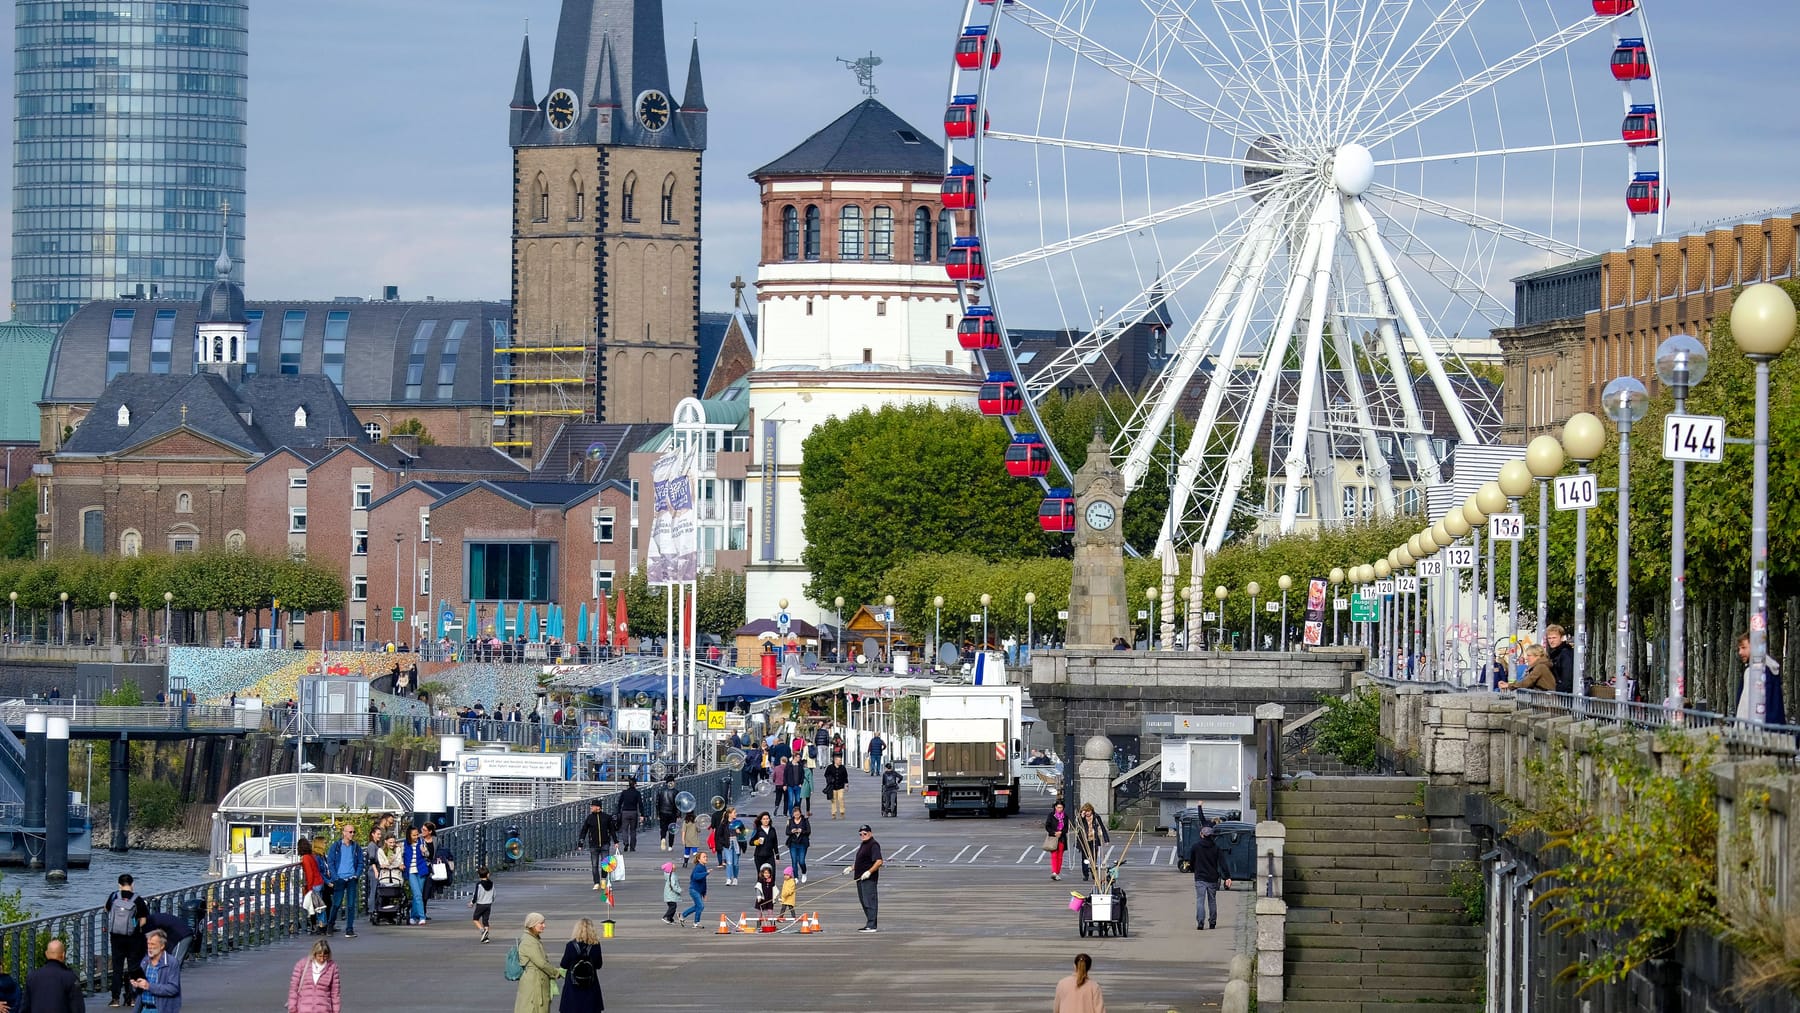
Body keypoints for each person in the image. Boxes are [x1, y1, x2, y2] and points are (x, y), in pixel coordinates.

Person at [106, 872, 150, 1007]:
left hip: (116, 937)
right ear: (132, 884)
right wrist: (134, 927)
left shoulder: (114, 896)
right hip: (133, 938)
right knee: (133, 967)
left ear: (119, 885)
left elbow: (106, 909)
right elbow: (143, 920)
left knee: (117, 968)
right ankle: (131, 998)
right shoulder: (138, 899)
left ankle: (115, 999)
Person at [512, 913, 561, 1013]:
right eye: (541, 923)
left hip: (536, 980)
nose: (544, 926)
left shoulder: (532, 939)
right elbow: (541, 963)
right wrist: (556, 972)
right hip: (535, 983)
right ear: (532, 925)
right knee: (535, 1007)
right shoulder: (529, 941)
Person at [1736, 632, 1788, 725]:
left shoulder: (1754, 671)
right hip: (1774, 729)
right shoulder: (1770, 669)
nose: (1740, 652)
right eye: (1739, 649)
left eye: (1744, 647)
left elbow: (1746, 706)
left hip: (1758, 732)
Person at [1187, 825, 1231, 930]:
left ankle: (1200, 922)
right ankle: (1212, 922)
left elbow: (1191, 861)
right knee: (1212, 900)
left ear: (1202, 835)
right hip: (1212, 878)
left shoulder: (1195, 847)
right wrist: (1227, 877)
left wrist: (1193, 869)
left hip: (1200, 877)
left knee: (1200, 900)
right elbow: (1222, 863)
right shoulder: (1216, 848)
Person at [324, 823, 365, 938]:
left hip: (351, 878)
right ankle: (330, 925)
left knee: (351, 905)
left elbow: (361, 862)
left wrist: (357, 875)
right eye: (350, 832)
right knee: (336, 903)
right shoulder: (336, 846)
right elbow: (330, 862)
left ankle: (349, 929)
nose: (352, 834)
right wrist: (335, 876)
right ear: (344, 833)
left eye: (353, 832)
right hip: (339, 879)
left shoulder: (356, 847)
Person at [557, 917, 605, 1013]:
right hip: (590, 984)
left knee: (572, 1008)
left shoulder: (571, 945)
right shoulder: (596, 945)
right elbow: (599, 965)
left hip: (573, 985)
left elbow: (564, 964)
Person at [24, 939, 83, 1013]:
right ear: (63, 954)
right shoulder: (70, 978)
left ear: (46, 954)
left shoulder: (32, 977)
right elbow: (78, 1008)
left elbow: (25, 1007)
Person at [132, 928, 181, 1013]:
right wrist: (136, 985)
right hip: (144, 1009)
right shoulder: (145, 961)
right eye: (148, 944)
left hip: (161, 1010)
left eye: (153, 944)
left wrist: (149, 986)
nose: (149, 947)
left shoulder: (171, 963)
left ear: (162, 946)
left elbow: (173, 988)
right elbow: (139, 991)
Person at [846, 823, 884, 932]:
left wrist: (869, 872)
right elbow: (861, 861)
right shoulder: (863, 844)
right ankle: (869, 923)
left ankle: (872, 925)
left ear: (870, 833)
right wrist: (851, 868)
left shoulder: (873, 844)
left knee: (869, 901)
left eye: (865, 833)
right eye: (860, 834)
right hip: (859, 878)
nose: (863, 835)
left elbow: (879, 861)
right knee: (863, 901)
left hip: (868, 879)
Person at [286, 939, 340, 1013]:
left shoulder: (332, 967)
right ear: (314, 954)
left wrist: (336, 1010)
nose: (322, 959)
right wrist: (292, 1007)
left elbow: (335, 993)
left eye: (325, 956)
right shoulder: (302, 964)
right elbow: (294, 988)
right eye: (319, 956)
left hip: (324, 1009)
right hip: (303, 1009)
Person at [577, 800, 616, 891]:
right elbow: (584, 830)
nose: (591, 808)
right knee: (594, 865)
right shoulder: (590, 818)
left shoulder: (606, 817)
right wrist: (580, 843)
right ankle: (596, 883)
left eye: (593, 806)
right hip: (593, 845)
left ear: (598, 807)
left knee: (605, 864)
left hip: (605, 844)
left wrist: (616, 841)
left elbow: (612, 830)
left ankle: (603, 880)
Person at [296, 837, 327, 934]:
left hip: (314, 884)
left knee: (317, 907)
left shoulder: (305, 858)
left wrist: (309, 888)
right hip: (319, 882)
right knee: (319, 906)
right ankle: (322, 925)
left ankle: (321, 926)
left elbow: (309, 874)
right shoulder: (311, 856)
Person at [1073, 803, 1110, 883]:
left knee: (1094, 858)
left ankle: (1094, 872)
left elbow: (1102, 827)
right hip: (1084, 840)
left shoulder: (1096, 817)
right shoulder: (1081, 818)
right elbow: (1078, 825)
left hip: (1094, 840)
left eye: (1088, 811)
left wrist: (1106, 839)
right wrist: (1081, 817)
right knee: (1085, 858)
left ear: (1091, 810)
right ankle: (1085, 874)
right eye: (1085, 811)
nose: (1087, 813)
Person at [402, 826, 431, 925]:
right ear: (409, 835)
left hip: (421, 870)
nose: (416, 837)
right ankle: (422, 916)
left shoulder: (422, 842)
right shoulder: (404, 844)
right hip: (410, 871)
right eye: (413, 835)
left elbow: (427, 854)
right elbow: (401, 856)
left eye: (417, 834)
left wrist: (424, 851)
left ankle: (413, 916)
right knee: (417, 894)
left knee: (417, 895)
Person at [679, 851, 709, 928]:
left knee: (697, 906)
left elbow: (703, 882)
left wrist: (704, 893)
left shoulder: (703, 867)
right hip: (694, 890)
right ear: (699, 859)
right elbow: (696, 877)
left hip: (698, 890)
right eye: (704, 857)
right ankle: (696, 923)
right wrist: (706, 873)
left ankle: (682, 915)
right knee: (701, 906)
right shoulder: (698, 867)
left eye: (706, 856)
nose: (706, 858)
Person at [717, 806, 743, 886]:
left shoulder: (738, 822)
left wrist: (740, 832)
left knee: (735, 863)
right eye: (734, 813)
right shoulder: (724, 823)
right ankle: (728, 878)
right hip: (727, 844)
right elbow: (719, 835)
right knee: (729, 862)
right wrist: (723, 843)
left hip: (736, 844)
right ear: (729, 814)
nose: (736, 814)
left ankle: (735, 878)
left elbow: (744, 833)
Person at [784, 807, 812, 883]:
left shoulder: (805, 820)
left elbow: (809, 831)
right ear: (793, 814)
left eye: (798, 813)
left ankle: (804, 873)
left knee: (801, 861)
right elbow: (787, 832)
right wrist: (792, 831)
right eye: (795, 813)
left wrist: (801, 831)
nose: (796, 814)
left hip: (802, 843)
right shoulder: (790, 821)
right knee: (794, 861)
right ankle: (796, 877)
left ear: (800, 813)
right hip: (793, 843)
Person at [1544, 624, 1575, 694]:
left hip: (1565, 694)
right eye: (1549, 638)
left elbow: (1567, 679)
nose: (1551, 641)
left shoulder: (1565, 653)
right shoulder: (1556, 653)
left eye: (1554, 638)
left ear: (1561, 638)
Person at [1044, 801, 1070, 881]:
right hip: (1053, 837)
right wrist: (1054, 833)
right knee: (1054, 855)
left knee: (1060, 856)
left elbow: (1066, 828)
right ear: (1055, 807)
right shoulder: (1051, 815)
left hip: (1062, 838)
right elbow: (1047, 826)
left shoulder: (1065, 816)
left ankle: (1057, 872)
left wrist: (1061, 832)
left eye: (1061, 807)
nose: (1059, 809)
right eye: (1058, 807)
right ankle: (1054, 872)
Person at [653, 775, 680, 850]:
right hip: (672, 813)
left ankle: (663, 838)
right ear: (673, 782)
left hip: (662, 812)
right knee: (672, 829)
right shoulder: (676, 792)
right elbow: (678, 804)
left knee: (663, 828)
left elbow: (657, 803)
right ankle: (670, 846)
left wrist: (658, 813)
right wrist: (678, 814)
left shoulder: (661, 791)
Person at [470, 867, 496, 943]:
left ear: (479, 875)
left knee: (475, 919)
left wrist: (472, 902)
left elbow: (476, 895)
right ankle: (486, 938)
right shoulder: (492, 883)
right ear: (488, 875)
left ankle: (483, 931)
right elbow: (494, 894)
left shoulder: (479, 884)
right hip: (488, 904)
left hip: (480, 904)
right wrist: (491, 900)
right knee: (485, 920)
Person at [617, 778, 643, 853]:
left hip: (625, 812)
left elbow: (619, 803)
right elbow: (640, 804)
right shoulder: (637, 793)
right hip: (634, 812)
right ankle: (632, 847)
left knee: (624, 829)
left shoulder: (624, 792)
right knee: (633, 830)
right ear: (635, 784)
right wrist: (642, 814)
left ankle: (625, 842)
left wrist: (618, 812)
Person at [824, 756, 850, 820]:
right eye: (839, 760)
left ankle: (842, 812)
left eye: (841, 760)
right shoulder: (830, 767)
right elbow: (826, 775)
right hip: (832, 787)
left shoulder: (843, 768)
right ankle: (833, 813)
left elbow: (845, 776)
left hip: (841, 786)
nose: (840, 761)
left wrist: (846, 784)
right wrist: (830, 779)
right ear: (835, 761)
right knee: (833, 800)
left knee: (841, 798)